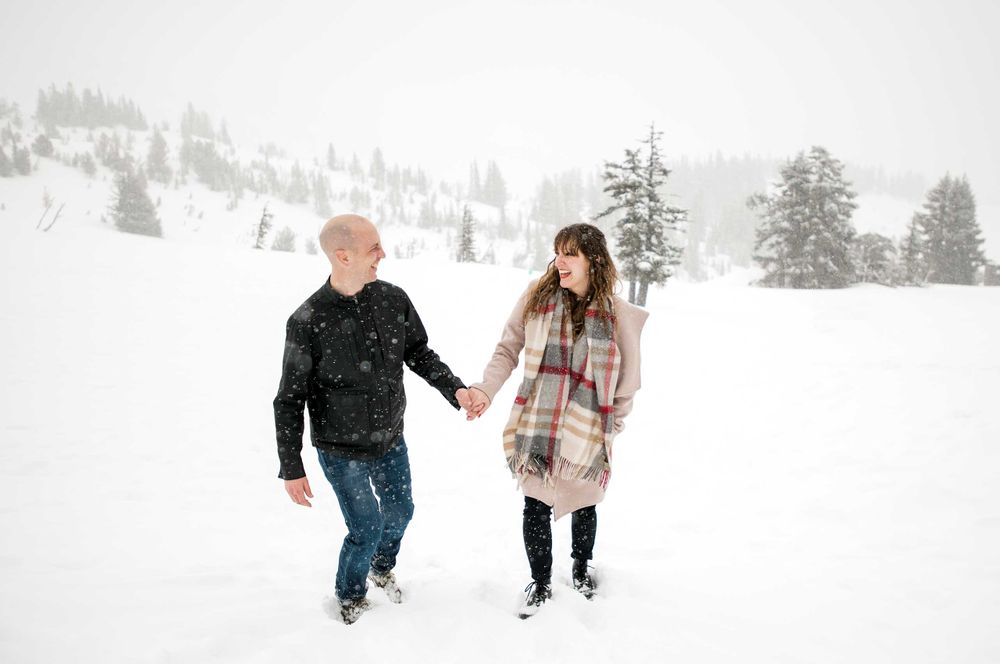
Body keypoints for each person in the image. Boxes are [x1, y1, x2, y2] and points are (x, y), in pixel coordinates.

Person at [274, 214, 474, 625]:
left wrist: (455, 389)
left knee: (401, 511)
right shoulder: (307, 320)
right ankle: (350, 596)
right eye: (374, 248)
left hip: (390, 439)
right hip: (340, 448)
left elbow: (420, 353)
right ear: (342, 255)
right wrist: (291, 467)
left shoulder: (392, 299)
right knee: (365, 526)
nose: (383, 254)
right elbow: (289, 399)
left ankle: (382, 567)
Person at [466, 223, 647, 619]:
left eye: (570, 254)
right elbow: (507, 348)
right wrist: (485, 389)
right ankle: (541, 582)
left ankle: (581, 568)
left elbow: (628, 381)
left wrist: (611, 427)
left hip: (586, 428)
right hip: (538, 420)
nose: (560, 262)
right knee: (535, 502)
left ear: (593, 261)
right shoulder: (537, 298)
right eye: (557, 252)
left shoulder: (618, 315)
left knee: (584, 504)